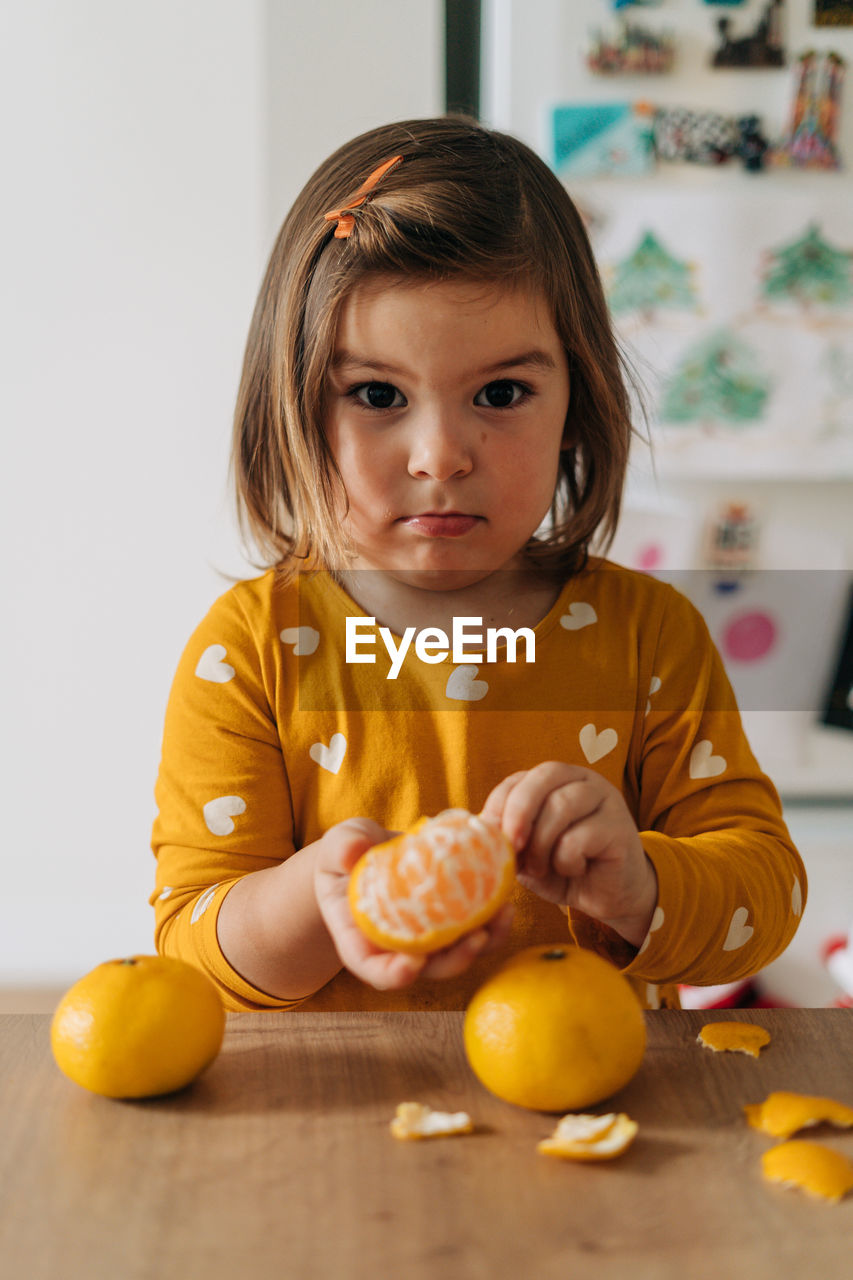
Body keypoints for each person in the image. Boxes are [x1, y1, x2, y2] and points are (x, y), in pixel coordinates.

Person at [150, 116, 805, 1013]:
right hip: (334, 1128)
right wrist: (318, 894)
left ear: (578, 400)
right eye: (376, 395)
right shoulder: (252, 650)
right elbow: (191, 946)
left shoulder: (650, 638)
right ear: (295, 406)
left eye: (501, 393)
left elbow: (763, 900)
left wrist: (639, 882)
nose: (441, 456)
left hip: (592, 1116)